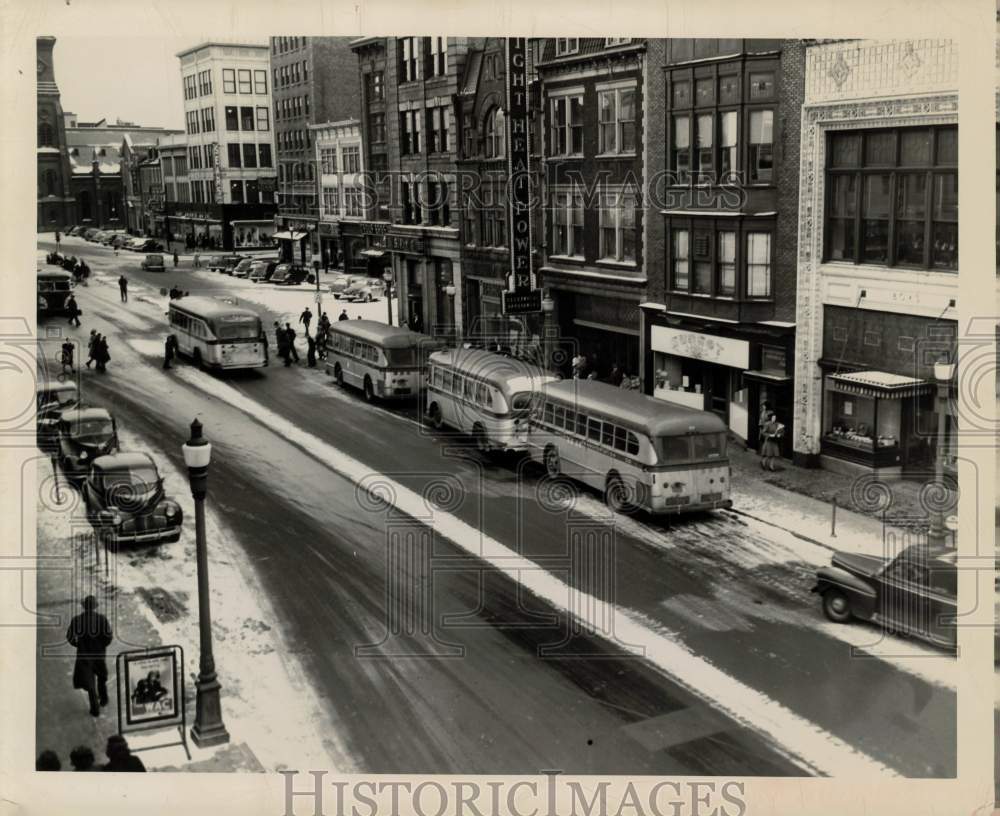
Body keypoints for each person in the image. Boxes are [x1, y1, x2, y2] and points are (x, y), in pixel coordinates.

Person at [66, 595, 112, 717]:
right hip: (99, 654)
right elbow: (108, 637)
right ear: (95, 607)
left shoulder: (76, 620)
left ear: (84, 607)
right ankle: (104, 698)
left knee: (89, 681)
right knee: (102, 677)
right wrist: (101, 646)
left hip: (84, 655)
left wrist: (77, 645)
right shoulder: (102, 619)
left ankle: (95, 709)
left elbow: (69, 637)